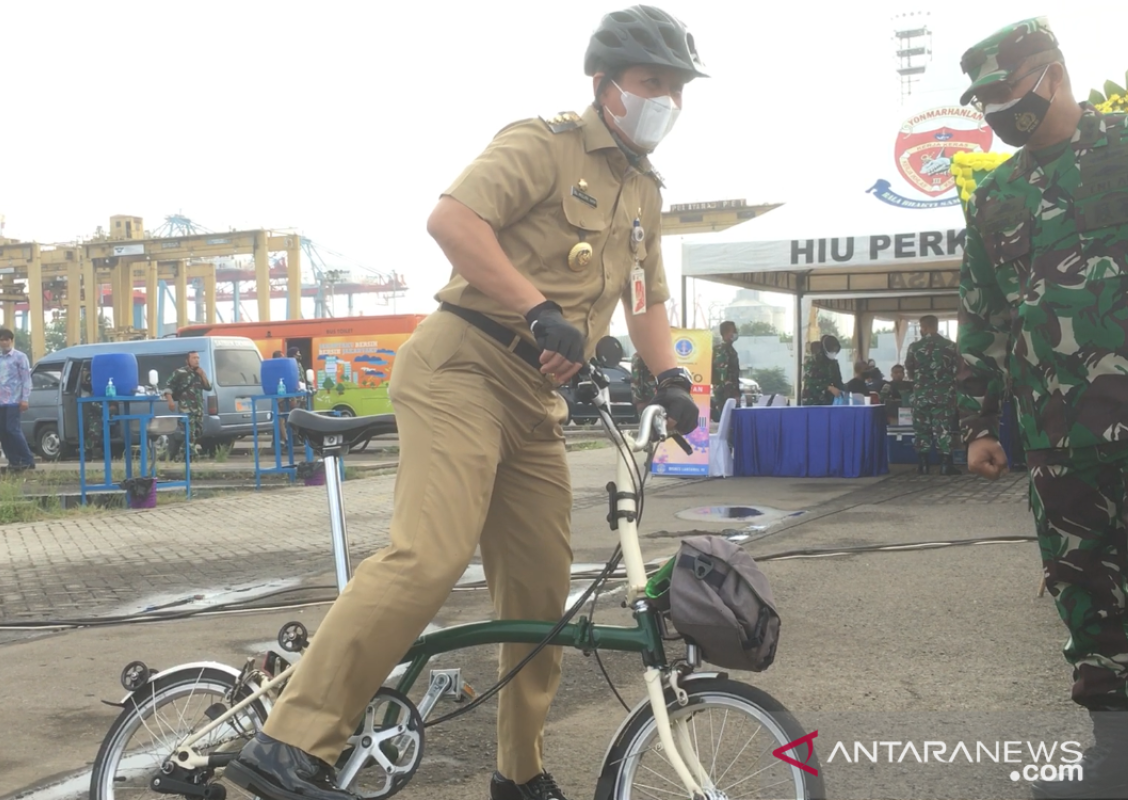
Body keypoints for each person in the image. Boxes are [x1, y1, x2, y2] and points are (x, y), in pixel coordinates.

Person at [227, 7, 705, 800]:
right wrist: (535, 306)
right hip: (462, 367)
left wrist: (673, 381)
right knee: (431, 556)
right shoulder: (543, 143)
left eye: (678, 89)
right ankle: (291, 740)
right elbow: (451, 219)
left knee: (541, 593)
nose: (667, 102)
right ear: (606, 84)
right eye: (653, 83)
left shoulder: (644, 191)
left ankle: (520, 775)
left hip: (534, 400)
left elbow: (645, 296)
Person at [956, 17, 1128, 798]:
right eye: (988, 99)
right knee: (1088, 594)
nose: (1001, 109)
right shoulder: (996, 197)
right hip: (1060, 441)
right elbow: (983, 317)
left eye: (1009, 89)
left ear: (1053, 74)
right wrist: (973, 424)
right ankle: (1122, 760)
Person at [905, 315, 960, 476]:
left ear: (924, 327)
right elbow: (957, 370)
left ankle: (923, 465)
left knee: (921, 429)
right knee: (943, 429)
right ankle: (945, 465)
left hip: (921, 395)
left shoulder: (914, 347)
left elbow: (909, 369)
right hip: (943, 395)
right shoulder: (950, 346)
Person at [0, 328, 34, 472]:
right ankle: (14, 461)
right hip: (1, 401)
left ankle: (27, 460)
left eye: (7, 339)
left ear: (11, 340)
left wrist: (25, 399)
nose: (4, 342)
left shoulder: (20, 357)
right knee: (3, 432)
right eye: (1, 340)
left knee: (12, 429)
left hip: (14, 400)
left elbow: (26, 379)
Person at [163, 351, 211, 460]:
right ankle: (190, 456)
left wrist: (202, 375)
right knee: (189, 433)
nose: (197, 360)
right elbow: (168, 387)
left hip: (198, 409)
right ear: (188, 360)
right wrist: (170, 401)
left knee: (198, 432)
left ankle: (182, 454)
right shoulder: (180, 372)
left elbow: (208, 387)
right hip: (186, 409)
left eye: (198, 358)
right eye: (194, 358)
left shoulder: (200, 373)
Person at [710, 319, 740, 421]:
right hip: (723, 392)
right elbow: (719, 373)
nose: (734, 334)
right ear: (725, 333)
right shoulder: (719, 350)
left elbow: (735, 374)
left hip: (731, 391)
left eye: (735, 331)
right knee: (726, 419)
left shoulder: (731, 350)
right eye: (732, 331)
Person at [800, 336, 843, 405]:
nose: (833, 353)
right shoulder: (812, 361)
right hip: (812, 401)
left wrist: (847, 390)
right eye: (832, 350)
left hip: (828, 402)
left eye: (835, 351)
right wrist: (828, 388)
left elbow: (838, 382)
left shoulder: (833, 364)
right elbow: (810, 382)